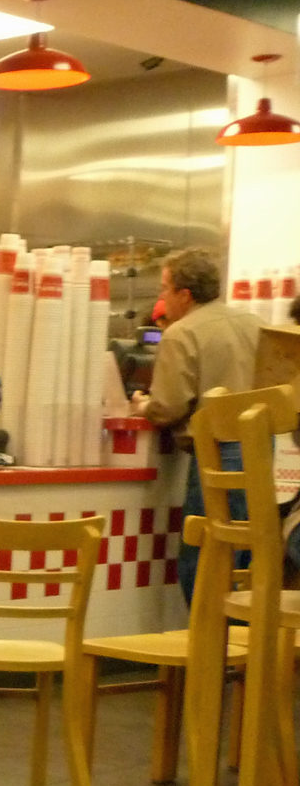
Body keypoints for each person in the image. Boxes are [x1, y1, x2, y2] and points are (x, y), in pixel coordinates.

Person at [129, 247, 261, 604]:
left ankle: (209, 654)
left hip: (218, 453)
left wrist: (143, 405)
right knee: (244, 561)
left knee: (203, 560)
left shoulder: (182, 333)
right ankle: (241, 654)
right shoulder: (253, 323)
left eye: (164, 289)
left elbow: (168, 407)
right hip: (263, 451)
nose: (162, 297)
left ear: (184, 295)